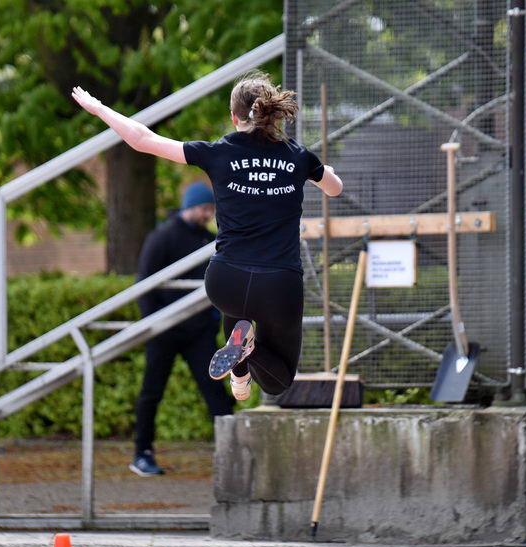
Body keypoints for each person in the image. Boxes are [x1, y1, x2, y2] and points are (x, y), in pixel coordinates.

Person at [72, 70, 343, 400]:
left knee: (239, 303)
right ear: (273, 115)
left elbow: (141, 139)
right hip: (278, 285)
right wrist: (322, 172)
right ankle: (247, 357)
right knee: (278, 381)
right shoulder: (299, 156)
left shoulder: (218, 152)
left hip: (224, 281)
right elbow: (335, 189)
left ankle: (239, 368)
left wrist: (100, 108)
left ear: (233, 117)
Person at [130, 182, 234, 476]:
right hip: (164, 330)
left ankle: (232, 452)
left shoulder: (207, 240)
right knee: (152, 392)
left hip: (197, 331)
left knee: (215, 391)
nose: (207, 215)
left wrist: (212, 320)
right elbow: (145, 285)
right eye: (204, 209)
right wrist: (154, 323)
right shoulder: (162, 237)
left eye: (210, 210)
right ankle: (142, 452)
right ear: (191, 206)